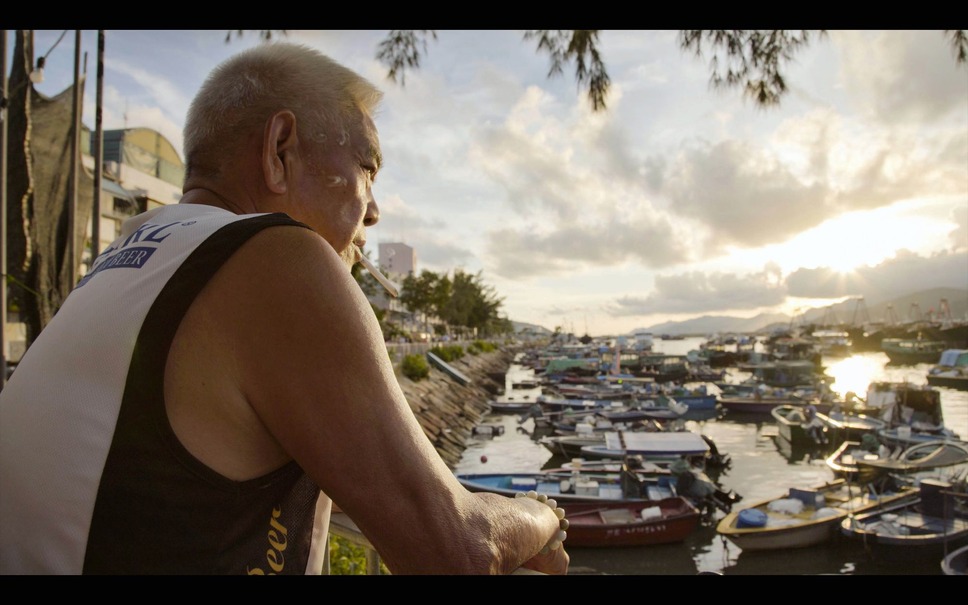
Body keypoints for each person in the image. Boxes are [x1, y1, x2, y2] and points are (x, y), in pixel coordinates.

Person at [0, 42, 569, 575]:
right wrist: (542, 516)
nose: (373, 212)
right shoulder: (276, 255)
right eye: (367, 168)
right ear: (279, 151)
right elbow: (458, 549)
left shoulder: (129, 257)